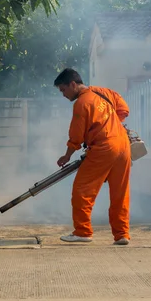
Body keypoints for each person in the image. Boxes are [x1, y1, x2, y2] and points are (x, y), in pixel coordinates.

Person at [54, 68, 131, 245]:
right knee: (120, 192)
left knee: (82, 190)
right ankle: (122, 234)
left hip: (104, 147)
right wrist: (112, 126)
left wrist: (67, 155)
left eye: (63, 90)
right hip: (123, 145)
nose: (63, 95)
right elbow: (124, 110)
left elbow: (76, 135)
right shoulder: (104, 92)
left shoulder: (81, 103)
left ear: (73, 84)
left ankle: (83, 231)